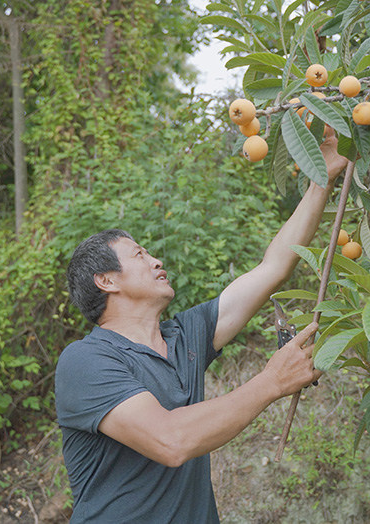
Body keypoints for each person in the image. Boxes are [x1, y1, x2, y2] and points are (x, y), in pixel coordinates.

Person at [56, 127, 349, 523]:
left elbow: (273, 267)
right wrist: (273, 381)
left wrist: (320, 181)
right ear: (106, 281)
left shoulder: (184, 338)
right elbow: (170, 440)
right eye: (140, 255)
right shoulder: (85, 362)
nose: (157, 261)